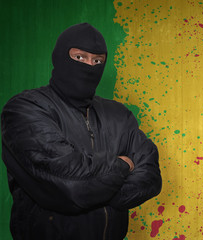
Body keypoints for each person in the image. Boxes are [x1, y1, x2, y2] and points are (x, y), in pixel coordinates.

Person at [1, 23, 162, 240]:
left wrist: (97, 190)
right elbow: (70, 187)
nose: (89, 65)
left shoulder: (119, 114)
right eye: (79, 57)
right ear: (59, 57)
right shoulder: (25, 109)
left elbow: (150, 177)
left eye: (97, 61)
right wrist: (124, 165)